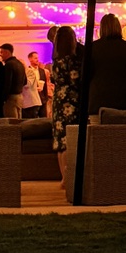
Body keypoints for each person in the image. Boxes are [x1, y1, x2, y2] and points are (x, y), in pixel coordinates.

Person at [87, 14, 126, 115]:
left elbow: (86, 75)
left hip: (98, 99)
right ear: (119, 27)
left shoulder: (91, 48)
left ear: (102, 28)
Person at [51, 25, 83, 173]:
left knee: (60, 140)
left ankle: (63, 175)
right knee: (70, 139)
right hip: (71, 102)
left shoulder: (56, 61)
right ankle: (69, 176)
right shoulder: (72, 61)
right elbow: (75, 80)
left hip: (58, 102)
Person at [0, 43, 27, 119]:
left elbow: (7, 83)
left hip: (11, 98)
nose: (0, 55)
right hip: (19, 96)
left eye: (2, 52)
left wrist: (3, 98)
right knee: (19, 120)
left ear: (7, 52)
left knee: (11, 122)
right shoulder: (20, 63)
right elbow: (25, 81)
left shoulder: (9, 65)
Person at [20, 52, 43, 119]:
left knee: (32, 122)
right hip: (25, 103)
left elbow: (28, 84)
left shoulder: (29, 72)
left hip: (32, 102)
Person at [29, 50, 51, 117]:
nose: (37, 60)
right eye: (35, 58)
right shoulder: (28, 70)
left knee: (43, 117)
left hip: (42, 98)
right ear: (30, 59)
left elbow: (45, 85)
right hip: (32, 98)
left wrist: (46, 97)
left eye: (37, 58)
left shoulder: (42, 71)